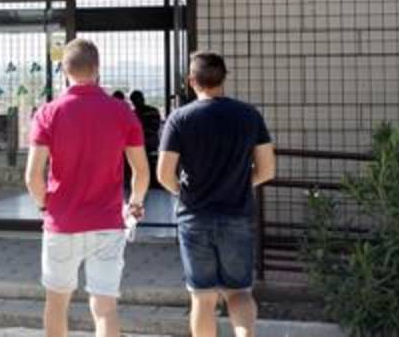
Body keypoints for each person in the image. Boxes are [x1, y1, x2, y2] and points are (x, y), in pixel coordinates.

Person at [26, 39, 149, 337]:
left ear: (64, 70)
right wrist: (134, 204)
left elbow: (32, 176)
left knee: (56, 303)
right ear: (97, 68)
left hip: (62, 222)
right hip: (107, 223)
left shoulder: (47, 113)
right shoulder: (121, 112)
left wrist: (45, 207)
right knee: (105, 308)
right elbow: (141, 171)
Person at [157, 52, 276, 337]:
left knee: (202, 297)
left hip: (194, 217)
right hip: (237, 214)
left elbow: (164, 173)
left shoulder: (179, 119)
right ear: (224, 77)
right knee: (239, 293)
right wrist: (240, 184)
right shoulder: (249, 115)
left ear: (191, 81)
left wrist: (183, 193)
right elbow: (267, 169)